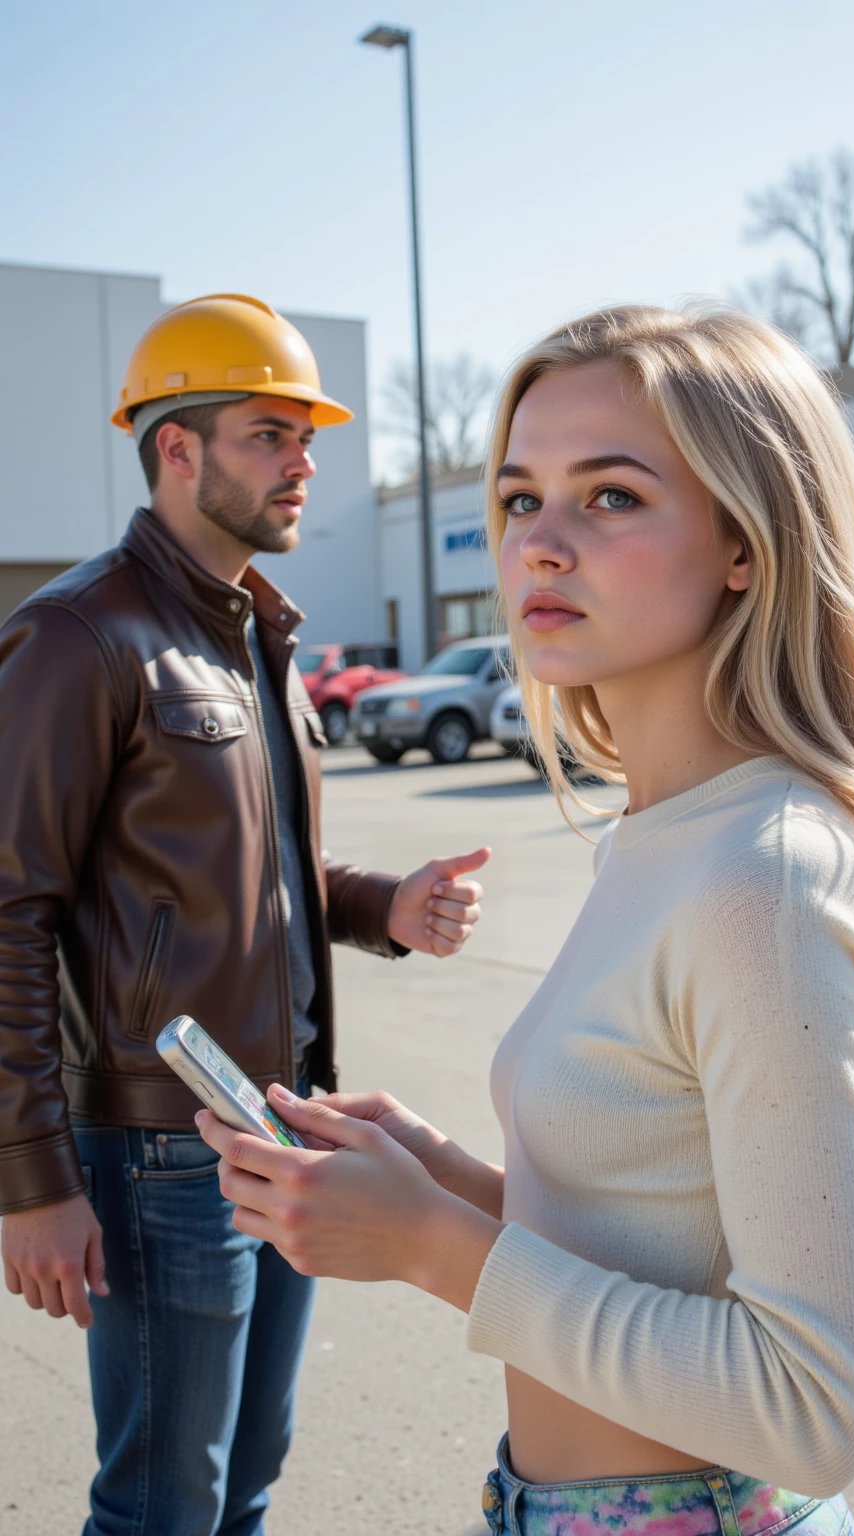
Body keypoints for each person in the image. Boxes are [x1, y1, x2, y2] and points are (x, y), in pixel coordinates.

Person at [196, 305, 854, 1535]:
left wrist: (429, 1245)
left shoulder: (765, 873)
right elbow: (652, 1227)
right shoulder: (663, 833)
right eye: (520, 500)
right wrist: (442, 1178)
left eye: (611, 498)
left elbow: (816, 1411)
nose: (540, 547)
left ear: (746, 541)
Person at [0, 293, 489, 1536]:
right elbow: (10, 911)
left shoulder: (254, 637)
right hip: (161, 1154)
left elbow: (265, 874)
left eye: (306, 435)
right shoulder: (81, 636)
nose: (305, 461)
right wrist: (30, 1179)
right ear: (178, 446)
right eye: (271, 432)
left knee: (246, 1484)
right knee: (164, 1504)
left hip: (283, 1132)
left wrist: (391, 904)